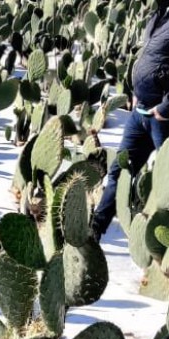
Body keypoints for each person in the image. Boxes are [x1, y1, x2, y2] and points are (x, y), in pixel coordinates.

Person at [92, 1, 169, 241]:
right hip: (141, 113)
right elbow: (147, 55)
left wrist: (166, 108)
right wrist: (137, 90)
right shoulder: (159, 13)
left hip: (162, 117)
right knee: (119, 171)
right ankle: (95, 228)